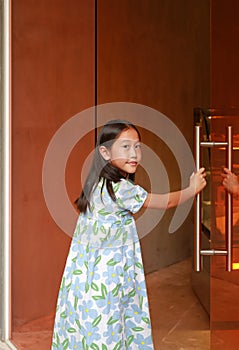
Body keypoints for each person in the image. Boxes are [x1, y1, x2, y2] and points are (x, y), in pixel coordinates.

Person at [51, 119, 206, 350]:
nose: (134, 153)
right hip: (109, 277)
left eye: (137, 146)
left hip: (86, 275)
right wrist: (192, 189)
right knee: (112, 323)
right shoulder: (121, 190)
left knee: (91, 324)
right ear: (104, 152)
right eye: (125, 146)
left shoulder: (97, 183)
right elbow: (167, 201)